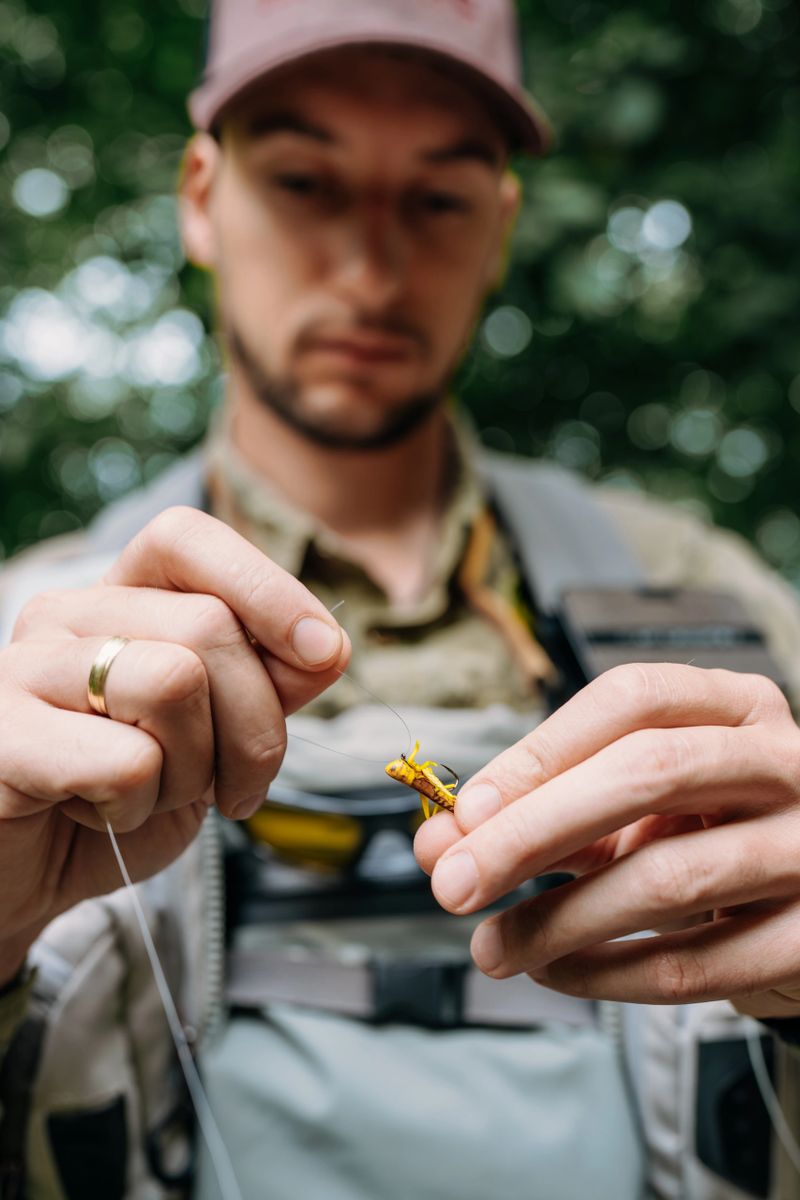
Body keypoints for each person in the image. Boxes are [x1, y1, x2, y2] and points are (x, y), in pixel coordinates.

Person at [2, 2, 800, 1198]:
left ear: (499, 227)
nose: (371, 269)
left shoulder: (721, 602)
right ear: (202, 198)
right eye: (306, 185)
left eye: (434, 200)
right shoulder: (22, 642)